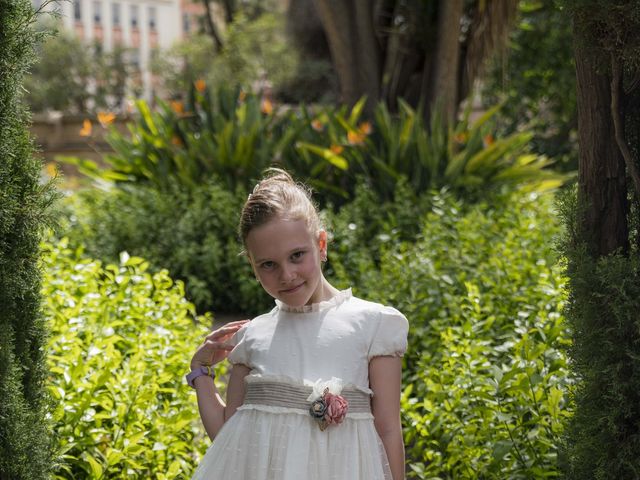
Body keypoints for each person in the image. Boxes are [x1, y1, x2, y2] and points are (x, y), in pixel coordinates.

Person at [187, 169, 409, 480]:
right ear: (252, 265)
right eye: (268, 264)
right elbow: (228, 437)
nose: (286, 275)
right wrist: (201, 372)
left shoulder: (373, 325)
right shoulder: (252, 338)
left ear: (321, 245)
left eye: (297, 255)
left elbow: (387, 429)